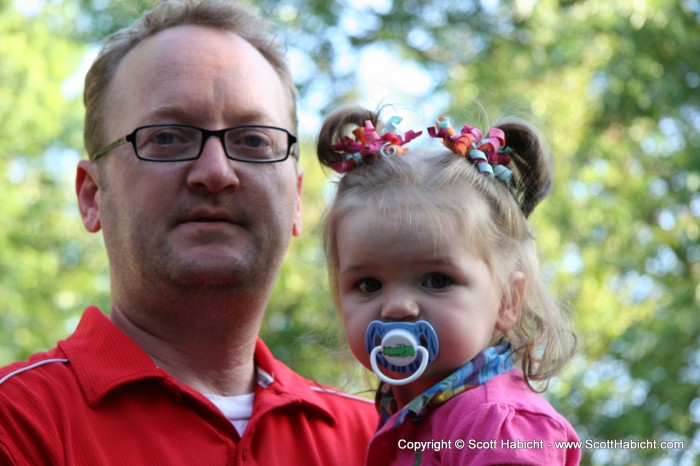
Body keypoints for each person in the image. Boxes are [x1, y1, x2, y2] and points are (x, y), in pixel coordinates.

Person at [0, 2, 378, 464]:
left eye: (254, 140)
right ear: (92, 195)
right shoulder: (17, 422)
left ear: (297, 199)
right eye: (167, 137)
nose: (216, 172)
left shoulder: (383, 441)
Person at [316, 105, 581, 465]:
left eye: (437, 280)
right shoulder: (406, 416)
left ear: (507, 300)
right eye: (368, 284)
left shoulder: (495, 424)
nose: (396, 307)